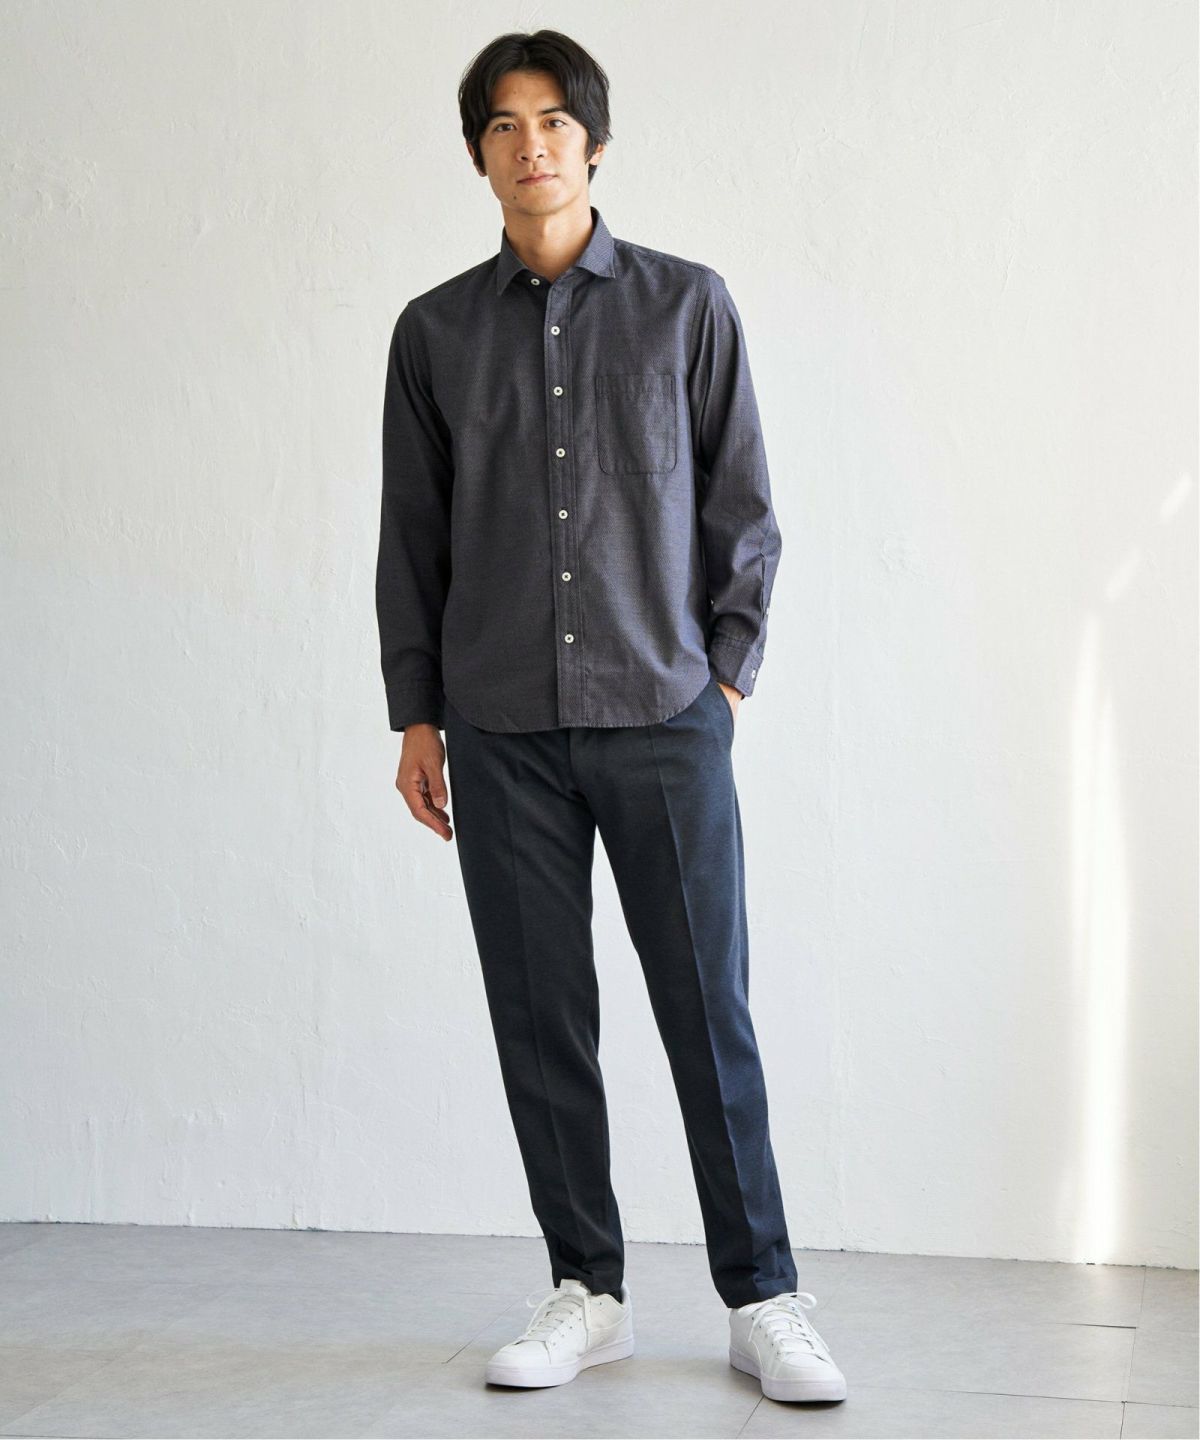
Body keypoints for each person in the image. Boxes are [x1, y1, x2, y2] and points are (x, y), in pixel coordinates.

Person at [375, 27, 847, 1406]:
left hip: (665, 712)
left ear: (594, 143)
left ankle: (764, 1295)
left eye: (553, 122)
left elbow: (743, 508)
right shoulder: (433, 335)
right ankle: (587, 1290)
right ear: (479, 154)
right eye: (504, 125)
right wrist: (417, 715)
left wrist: (726, 679)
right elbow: (413, 538)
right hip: (499, 723)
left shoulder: (687, 306)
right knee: (542, 1019)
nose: (531, 145)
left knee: (709, 1013)